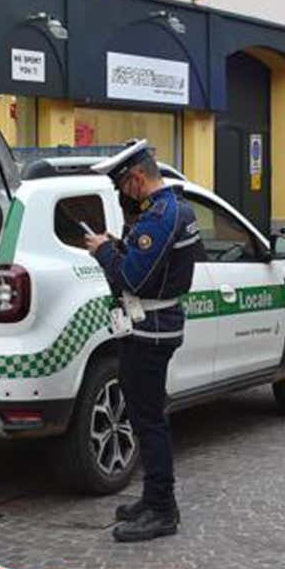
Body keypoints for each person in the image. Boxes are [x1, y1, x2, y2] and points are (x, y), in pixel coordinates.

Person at [85, 140, 204, 543]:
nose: (122, 195)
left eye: (122, 187)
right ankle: (153, 498)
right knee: (146, 417)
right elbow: (151, 267)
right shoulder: (175, 209)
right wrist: (120, 247)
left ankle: (161, 508)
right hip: (153, 325)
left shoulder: (158, 218)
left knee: (149, 420)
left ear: (136, 179)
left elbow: (131, 279)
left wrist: (104, 252)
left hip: (149, 329)